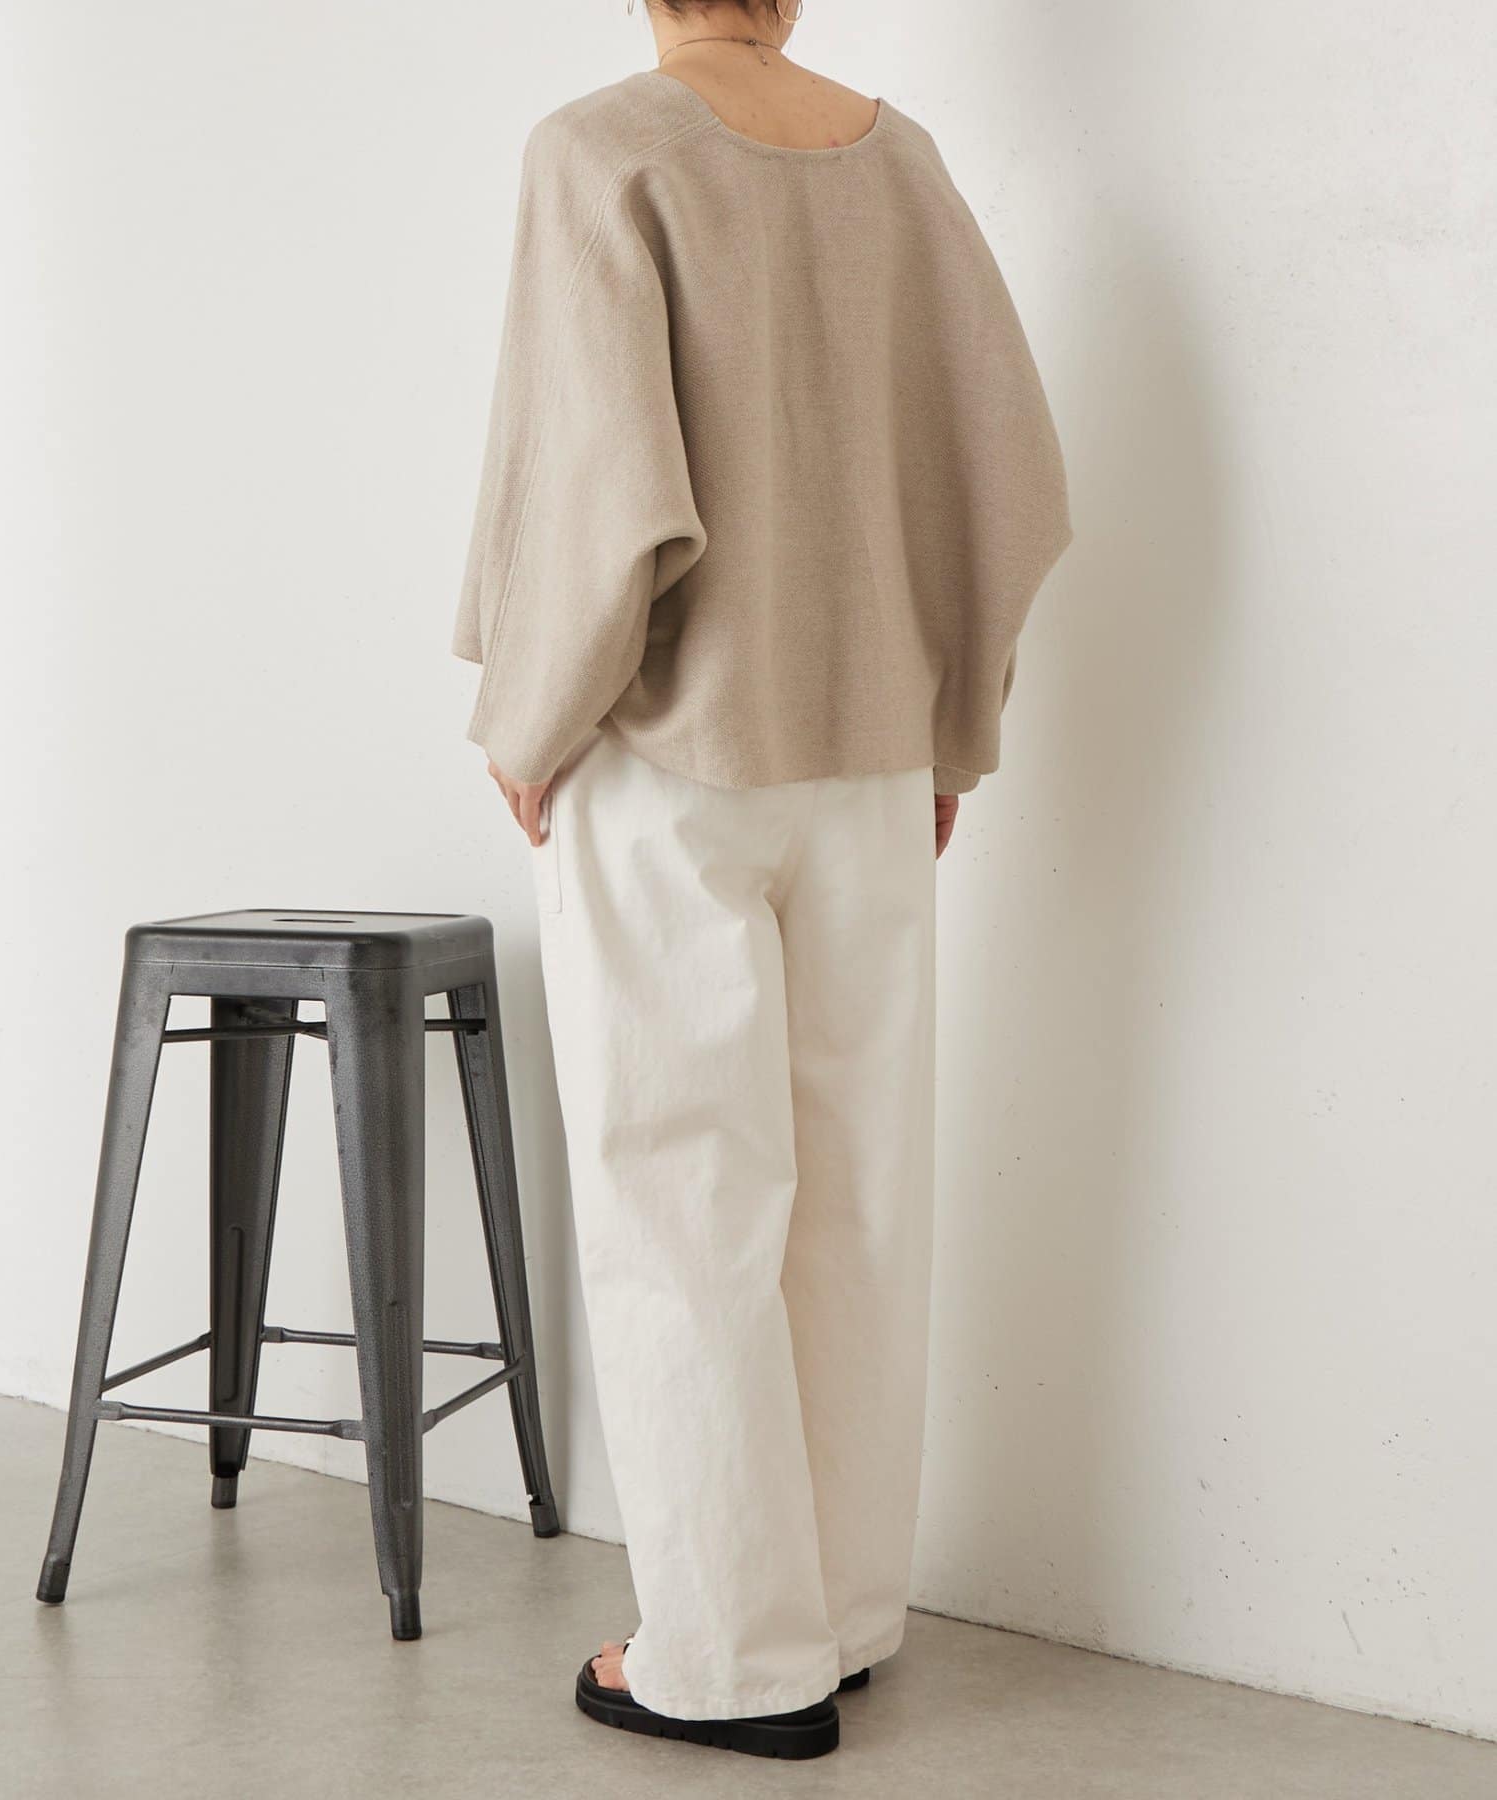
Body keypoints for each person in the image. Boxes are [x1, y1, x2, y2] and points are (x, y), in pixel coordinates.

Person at [451, 0, 1071, 1762]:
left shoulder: (600, 150)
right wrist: (950, 732)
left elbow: (604, 498)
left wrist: (530, 722)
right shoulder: (904, 164)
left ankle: (731, 1656)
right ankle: (845, 1611)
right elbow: (1005, 480)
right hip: (872, 767)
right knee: (856, 1196)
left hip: (674, 758)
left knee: (681, 1197)